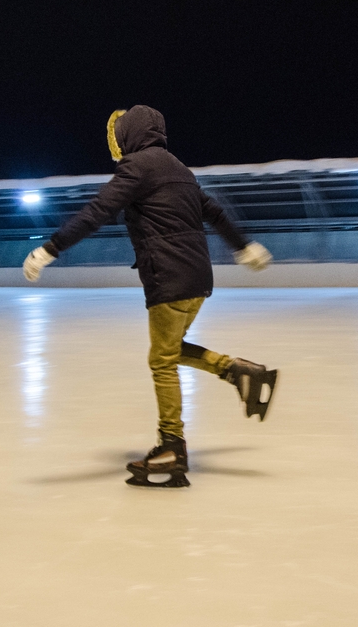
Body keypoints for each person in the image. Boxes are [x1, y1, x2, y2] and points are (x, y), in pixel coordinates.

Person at [22, 105, 278, 488]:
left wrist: (50, 249)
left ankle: (172, 445)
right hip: (198, 279)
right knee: (171, 349)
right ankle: (239, 371)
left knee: (161, 360)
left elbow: (98, 211)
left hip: (168, 278)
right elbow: (215, 212)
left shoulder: (137, 167)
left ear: (129, 135)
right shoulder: (179, 169)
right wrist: (244, 247)